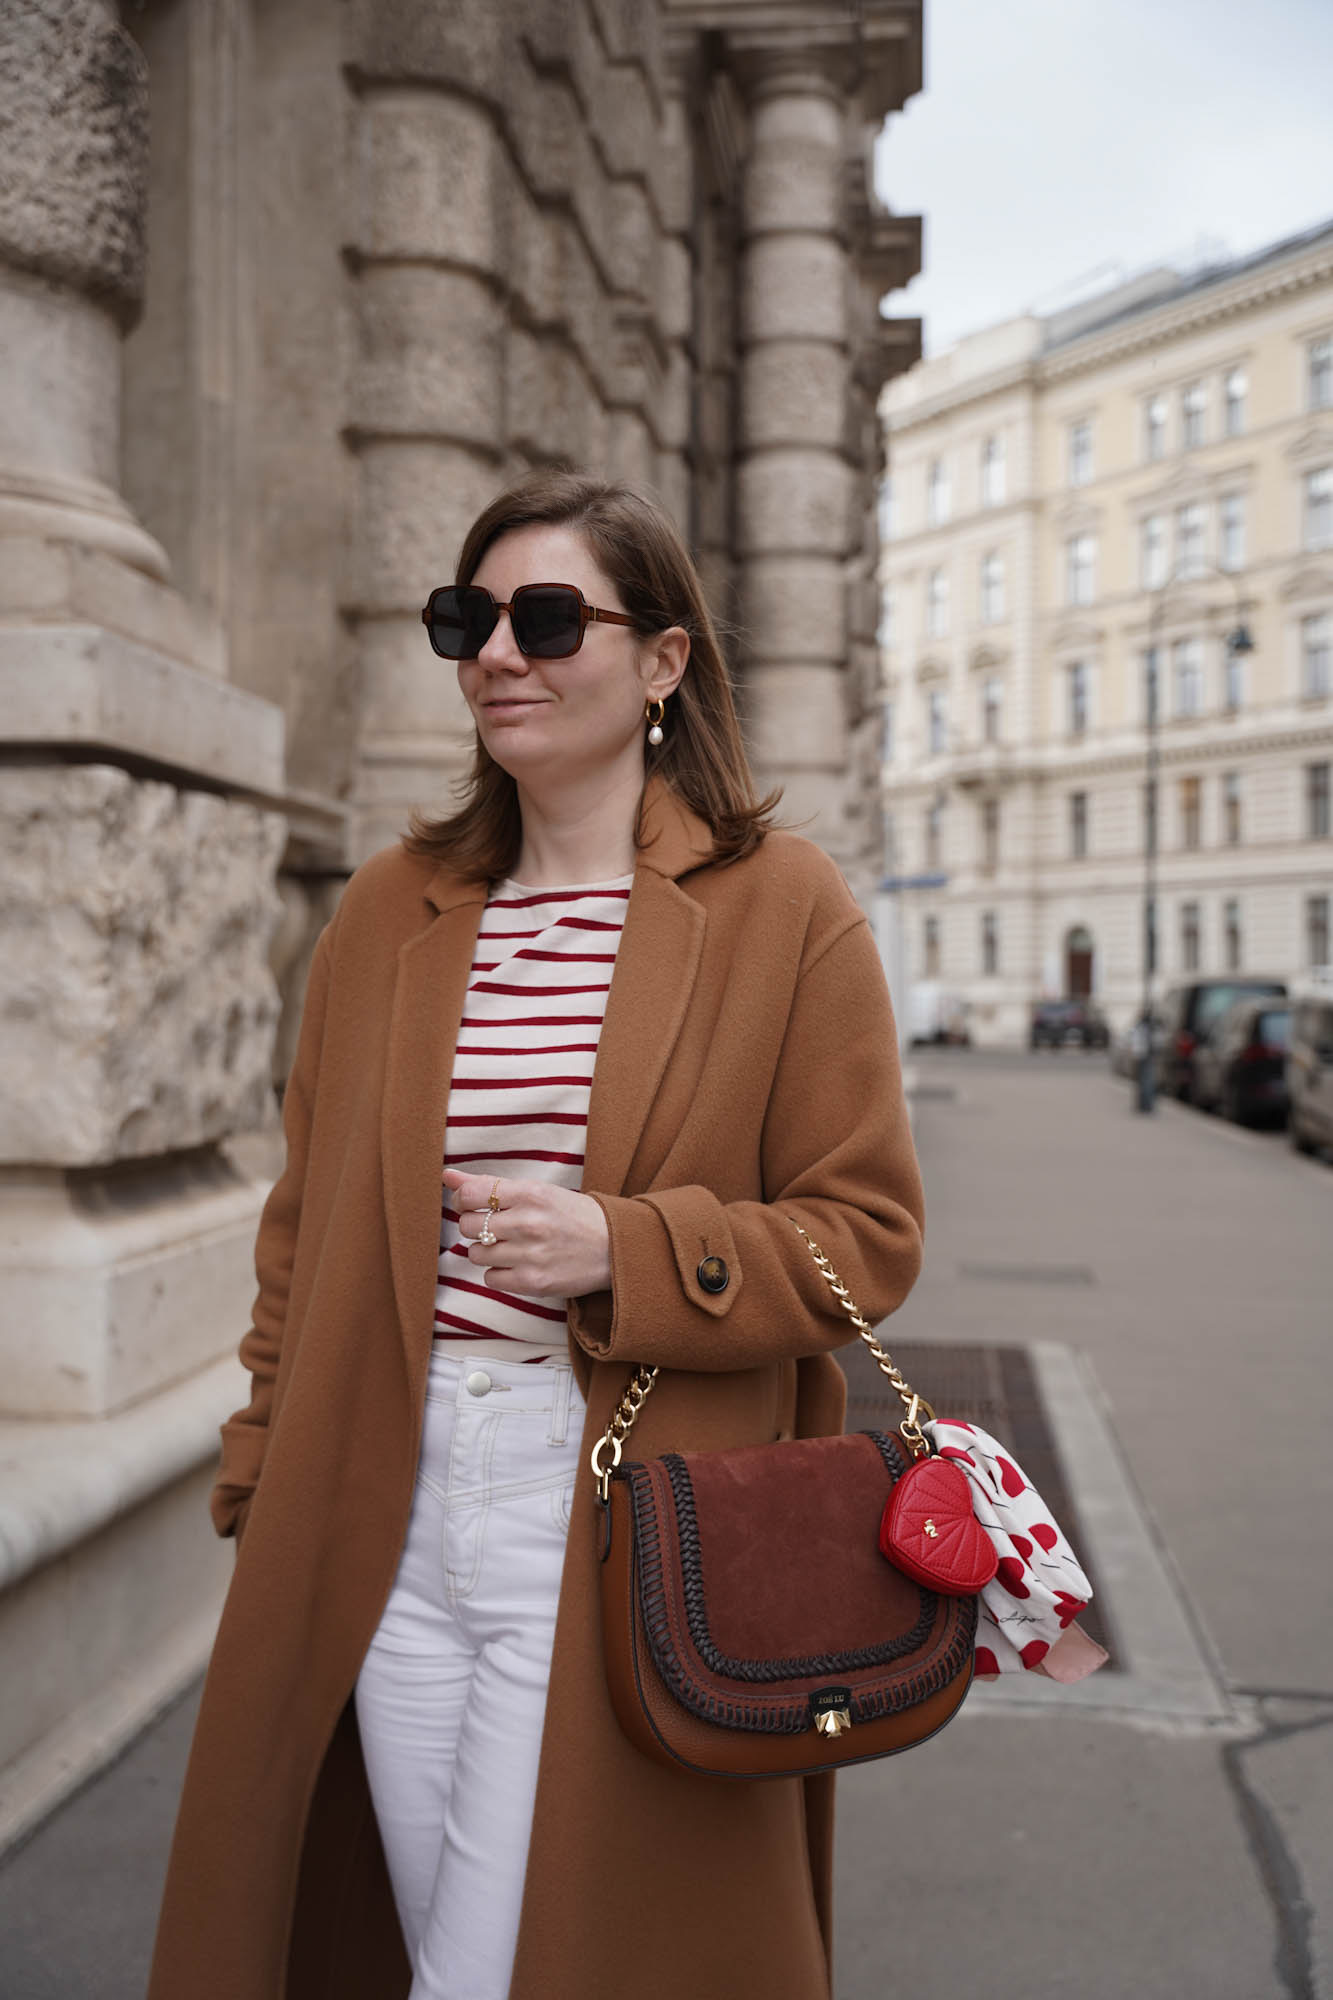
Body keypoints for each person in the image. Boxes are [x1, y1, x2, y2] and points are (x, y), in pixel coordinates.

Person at [148, 469, 926, 2000]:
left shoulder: (782, 907)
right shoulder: (390, 909)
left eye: (548, 617)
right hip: (381, 1485)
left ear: (660, 659)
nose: (499, 653)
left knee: (513, 1957)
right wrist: (259, 1468)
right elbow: (301, 1227)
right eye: (469, 618)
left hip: (611, 1494)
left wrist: (624, 1253)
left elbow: (864, 1237)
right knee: (415, 1918)